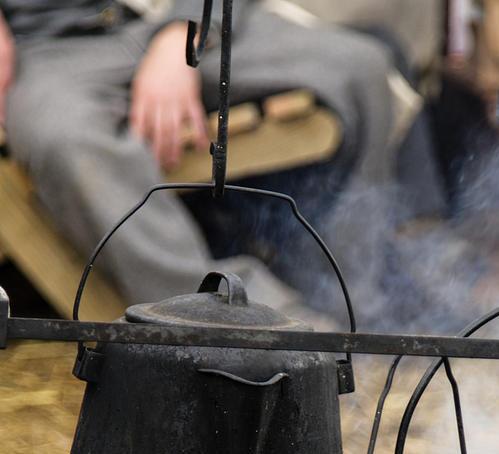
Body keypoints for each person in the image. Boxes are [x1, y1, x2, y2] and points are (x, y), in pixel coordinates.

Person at [0, 0, 446, 325]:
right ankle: (234, 319)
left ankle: (346, 303)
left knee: (361, 66)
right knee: (67, 140)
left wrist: (181, 36)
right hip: (44, 52)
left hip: (169, 13)